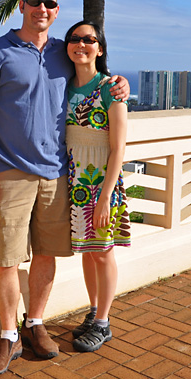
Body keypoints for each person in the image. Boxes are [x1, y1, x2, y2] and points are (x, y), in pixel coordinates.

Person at [0, 0, 129, 375]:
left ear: (57, 11)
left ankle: (35, 323)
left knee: (45, 254)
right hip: (10, 171)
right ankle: (9, 336)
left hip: (58, 174)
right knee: (6, 259)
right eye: (35, 1)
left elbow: (95, 73)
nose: (42, 8)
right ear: (21, 6)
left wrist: (120, 81)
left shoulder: (63, 52)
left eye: (50, 3)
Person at [64, 20, 130, 353]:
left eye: (89, 40)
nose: (81, 44)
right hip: (75, 181)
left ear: (99, 48)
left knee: (102, 253)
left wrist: (105, 197)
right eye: (74, 39)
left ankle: (103, 323)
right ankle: (93, 312)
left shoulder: (110, 88)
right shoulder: (64, 86)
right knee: (88, 254)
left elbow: (118, 147)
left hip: (100, 182)